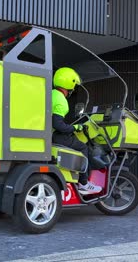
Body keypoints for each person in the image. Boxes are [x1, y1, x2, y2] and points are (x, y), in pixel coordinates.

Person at [52, 67, 102, 195]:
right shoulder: (61, 100)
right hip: (55, 135)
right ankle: (83, 183)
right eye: (74, 85)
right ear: (70, 83)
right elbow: (58, 125)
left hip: (48, 134)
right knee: (83, 147)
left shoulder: (52, 94)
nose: (74, 89)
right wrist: (76, 127)